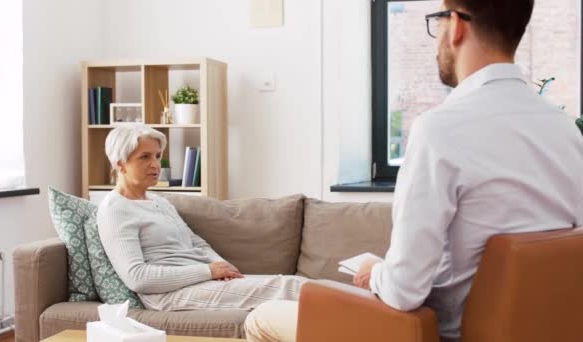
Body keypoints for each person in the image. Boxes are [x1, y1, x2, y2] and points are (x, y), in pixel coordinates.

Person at [244, 0, 583, 341]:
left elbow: (405, 292)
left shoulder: (441, 130)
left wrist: (374, 272)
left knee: (262, 317)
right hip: (543, 331)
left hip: (437, 333)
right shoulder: (565, 131)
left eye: (438, 22)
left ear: (456, 26)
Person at [97, 123, 306, 312]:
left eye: (158, 156)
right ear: (120, 164)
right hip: (168, 293)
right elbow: (137, 278)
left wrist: (222, 265)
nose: (156, 164)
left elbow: (195, 241)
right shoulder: (115, 210)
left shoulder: (159, 201)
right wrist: (208, 271)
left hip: (203, 281)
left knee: (294, 286)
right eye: (145, 157)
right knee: (290, 288)